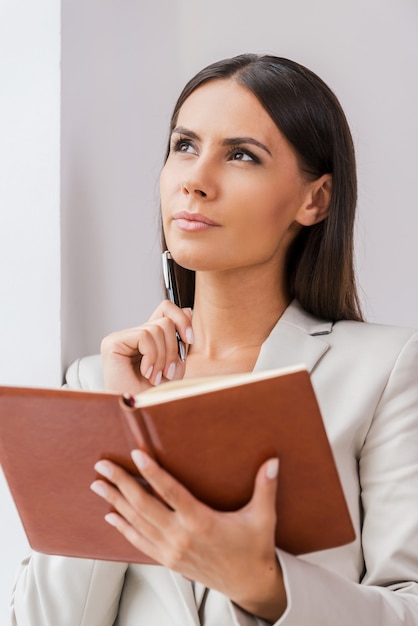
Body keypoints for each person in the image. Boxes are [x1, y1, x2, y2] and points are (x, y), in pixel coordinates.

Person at [10, 54, 418, 625]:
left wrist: (262, 585)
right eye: (183, 146)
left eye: (242, 155)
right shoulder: (94, 380)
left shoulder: (383, 370)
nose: (195, 181)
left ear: (315, 199)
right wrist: (121, 419)